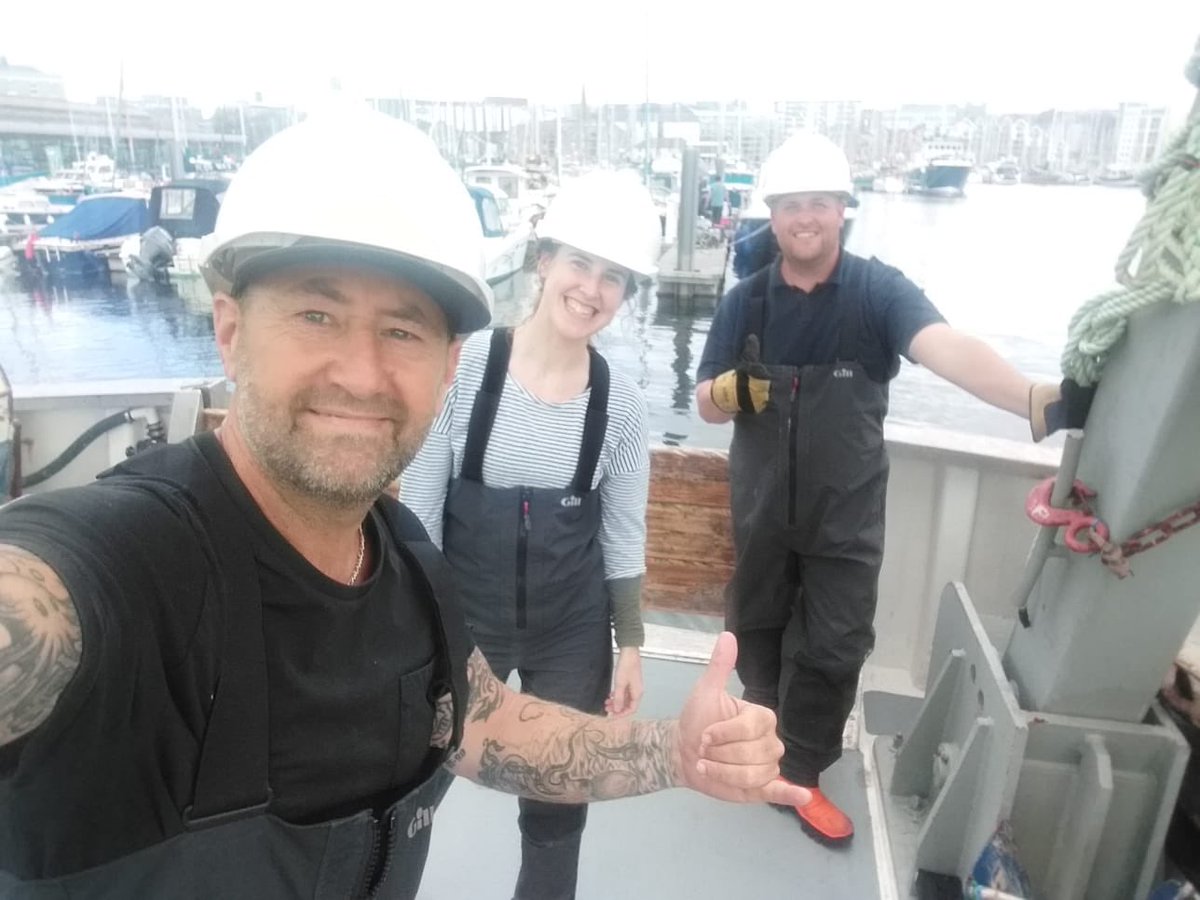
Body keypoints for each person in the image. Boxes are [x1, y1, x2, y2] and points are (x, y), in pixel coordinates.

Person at [0, 109, 808, 898]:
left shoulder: (411, 574)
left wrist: (676, 750)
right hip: (484, 590)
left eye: (403, 331)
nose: (360, 371)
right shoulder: (126, 563)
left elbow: (484, 721)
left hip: (560, 616)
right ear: (229, 330)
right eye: (317, 314)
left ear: (444, 366)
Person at [694, 132, 1083, 846]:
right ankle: (761, 746)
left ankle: (803, 775)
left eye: (820, 202)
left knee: (837, 644)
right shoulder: (744, 302)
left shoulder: (877, 292)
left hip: (845, 518)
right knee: (759, 632)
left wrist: (1033, 399)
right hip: (761, 515)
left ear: (844, 208)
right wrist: (724, 389)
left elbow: (945, 346)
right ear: (772, 216)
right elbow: (705, 405)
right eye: (790, 205)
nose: (805, 216)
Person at [400, 169, 661, 900]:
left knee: (556, 803)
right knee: (411, 782)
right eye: (579, 262)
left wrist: (631, 642)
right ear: (543, 260)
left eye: (614, 276)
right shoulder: (466, 367)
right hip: (463, 619)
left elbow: (622, 529)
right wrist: (419, 624)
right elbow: (418, 508)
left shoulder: (622, 407)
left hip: (571, 630)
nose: (592, 288)